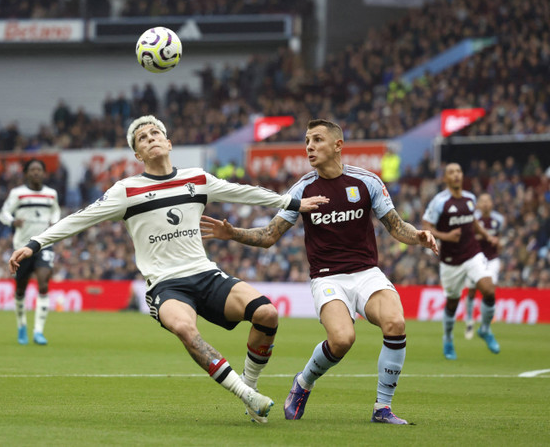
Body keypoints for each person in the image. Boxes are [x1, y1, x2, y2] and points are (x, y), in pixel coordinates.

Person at [8, 115, 328, 423]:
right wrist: (36, 243)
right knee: (186, 330)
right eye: (143, 139)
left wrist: (293, 203)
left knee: (268, 314)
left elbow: (243, 192)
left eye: (155, 134)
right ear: (138, 154)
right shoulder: (126, 191)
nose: (150, 140)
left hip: (204, 273)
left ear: (168, 142)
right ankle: (245, 394)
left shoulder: (197, 179)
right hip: (165, 285)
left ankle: (251, 382)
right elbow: (79, 218)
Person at [201, 119, 438, 424]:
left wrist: (417, 236)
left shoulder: (366, 181)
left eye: (316, 140)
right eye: (306, 141)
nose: (309, 147)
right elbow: (270, 236)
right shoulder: (303, 189)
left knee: (395, 322)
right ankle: (303, 383)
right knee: (342, 340)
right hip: (327, 277)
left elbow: (396, 227)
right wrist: (233, 233)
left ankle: (383, 408)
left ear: (338, 145)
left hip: (367, 272)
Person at [422, 163, 500, 360]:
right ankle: (448, 338)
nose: (456, 175)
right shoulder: (440, 202)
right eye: (451, 172)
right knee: (452, 303)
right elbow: (426, 226)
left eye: (459, 171)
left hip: (473, 253)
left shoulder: (470, 198)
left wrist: (487, 235)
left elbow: (473, 221)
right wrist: (446, 237)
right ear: (446, 178)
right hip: (450, 261)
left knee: (489, 290)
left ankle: (484, 329)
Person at [0, 159, 60, 346]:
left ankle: (39, 331)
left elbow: (56, 212)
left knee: (43, 283)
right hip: (22, 247)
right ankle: (21, 325)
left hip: (43, 245)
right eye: (32, 169)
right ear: (26, 173)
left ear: (43, 173)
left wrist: (54, 223)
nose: (36, 172)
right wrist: (12, 222)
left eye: (39, 169)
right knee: (20, 289)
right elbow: (3, 213)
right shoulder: (18, 193)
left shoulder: (51, 194)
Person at [464, 193, 504, 339]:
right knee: (472, 291)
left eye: (488, 201)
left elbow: (500, 241)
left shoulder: (498, 220)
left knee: (489, 289)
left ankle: (485, 323)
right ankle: (469, 320)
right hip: (476, 258)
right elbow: (468, 238)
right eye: (483, 201)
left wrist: (498, 244)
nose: (486, 204)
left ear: (492, 203)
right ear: (478, 205)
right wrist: (483, 236)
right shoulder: (474, 220)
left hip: (492, 259)